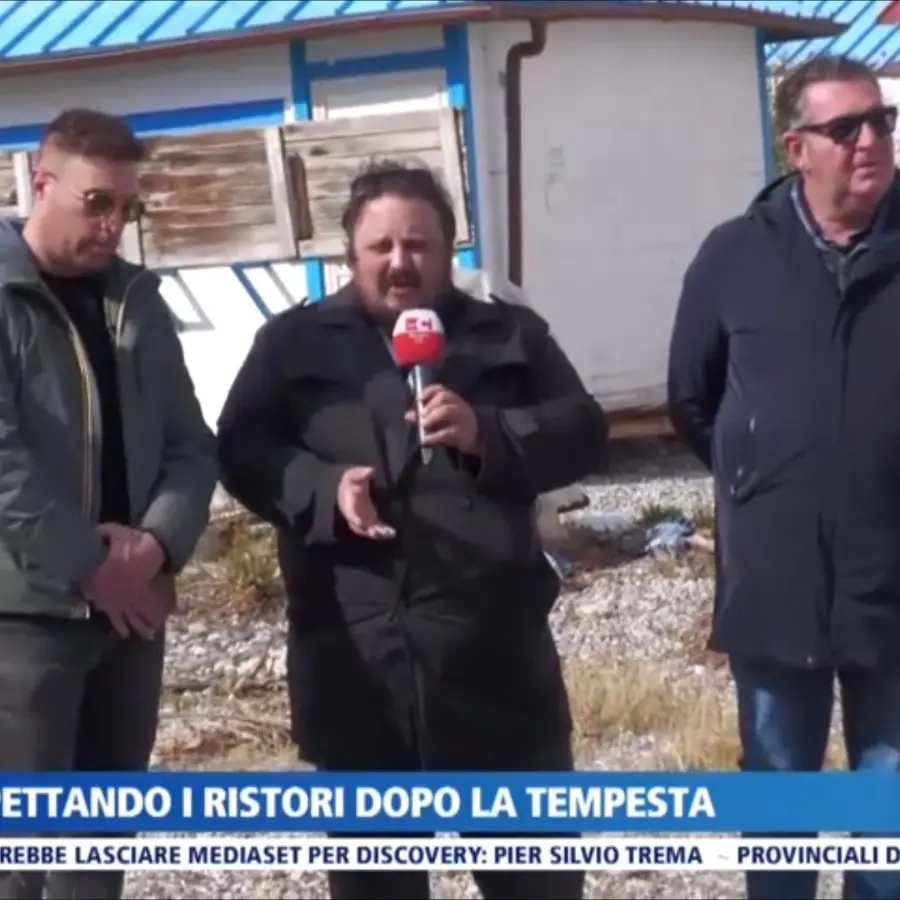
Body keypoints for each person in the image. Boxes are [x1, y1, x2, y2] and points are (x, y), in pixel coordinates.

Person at [216, 160, 608, 900]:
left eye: (419, 245)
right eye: (381, 248)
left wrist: (489, 431)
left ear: (448, 249)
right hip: (357, 666)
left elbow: (584, 432)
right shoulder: (291, 344)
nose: (401, 264)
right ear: (349, 253)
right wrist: (321, 490)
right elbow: (240, 451)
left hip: (496, 668)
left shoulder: (508, 334)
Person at [667, 54, 900, 900]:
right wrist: (765, 481)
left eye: (881, 121)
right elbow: (691, 400)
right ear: (796, 148)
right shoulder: (734, 256)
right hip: (776, 587)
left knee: (888, 820)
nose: (871, 139)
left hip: (893, 587)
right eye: (847, 128)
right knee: (778, 812)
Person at [0, 108, 218, 899]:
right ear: (40, 182)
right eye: (98, 202)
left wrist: (155, 548)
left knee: (98, 851)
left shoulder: (138, 301)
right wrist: (91, 566)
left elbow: (194, 446)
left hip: (129, 623)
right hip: (25, 623)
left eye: (127, 207)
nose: (113, 224)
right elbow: (4, 467)